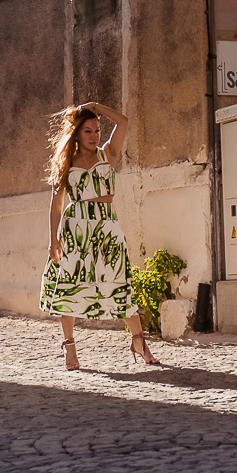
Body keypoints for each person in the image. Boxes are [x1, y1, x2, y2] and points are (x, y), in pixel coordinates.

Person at [39, 102, 162, 371]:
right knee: (70, 287)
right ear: (77, 134)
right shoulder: (66, 163)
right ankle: (70, 348)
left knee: (119, 283)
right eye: (88, 131)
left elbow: (124, 122)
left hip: (106, 228)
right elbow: (56, 204)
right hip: (75, 231)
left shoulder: (108, 154)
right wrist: (53, 240)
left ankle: (139, 341)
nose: (94, 135)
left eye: (97, 130)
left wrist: (96, 107)